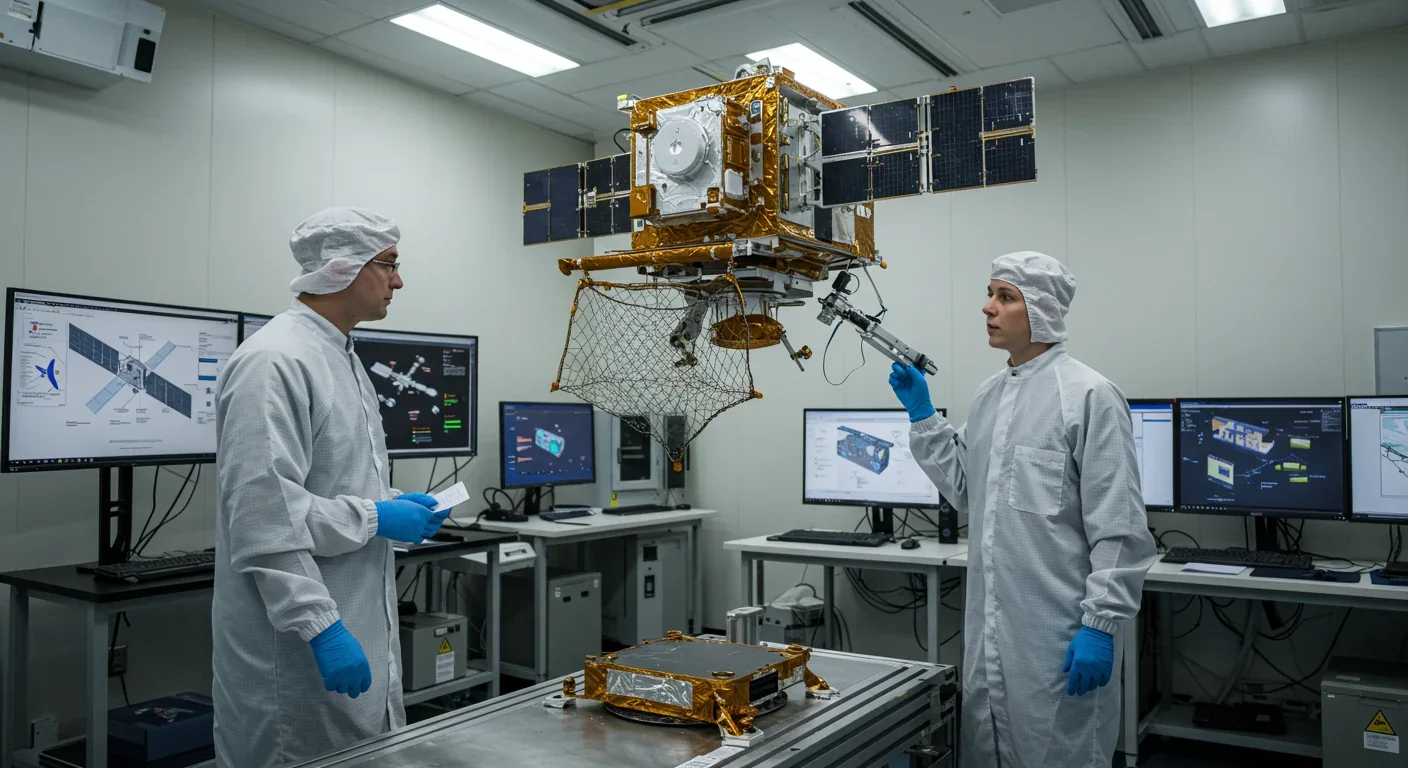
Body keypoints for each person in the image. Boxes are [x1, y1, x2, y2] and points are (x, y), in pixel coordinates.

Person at [888, 251, 1156, 768]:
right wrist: (923, 415)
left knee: (1059, 753)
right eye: (990, 294)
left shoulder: (1089, 396)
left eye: (1004, 297)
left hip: (1057, 633)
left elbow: (1118, 528)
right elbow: (968, 489)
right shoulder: (990, 396)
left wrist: (1099, 626)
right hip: (991, 631)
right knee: (988, 749)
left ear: (1042, 310)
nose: (987, 308)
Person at [212, 207, 452, 767]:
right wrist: (322, 629)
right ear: (343, 269)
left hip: (356, 618)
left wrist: (390, 507)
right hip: (296, 646)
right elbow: (262, 515)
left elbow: (333, 484)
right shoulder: (274, 362)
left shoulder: (339, 355)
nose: (398, 280)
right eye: (388, 265)